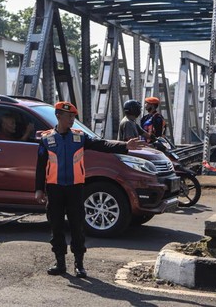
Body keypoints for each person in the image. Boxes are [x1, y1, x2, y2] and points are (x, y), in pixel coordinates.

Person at [34, 101, 145, 278]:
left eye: (73, 117)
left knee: (77, 226)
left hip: (75, 189)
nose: (72, 120)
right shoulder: (47, 139)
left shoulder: (79, 137)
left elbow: (102, 145)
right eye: (69, 116)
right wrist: (39, 189)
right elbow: (40, 166)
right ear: (58, 116)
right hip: (54, 189)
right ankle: (60, 262)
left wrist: (124, 146)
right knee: (56, 227)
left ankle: (79, 264)